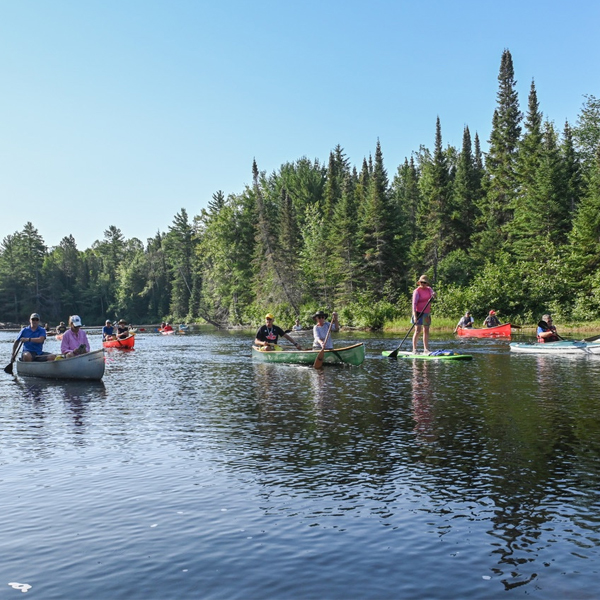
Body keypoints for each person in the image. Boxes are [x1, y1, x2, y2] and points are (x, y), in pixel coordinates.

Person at [412, 275, 436, 354]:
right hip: (418, 312)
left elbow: (433, 295)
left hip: (426, 313)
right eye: (421, 282)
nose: (423, 284)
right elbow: (414, 304)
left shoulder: (429, 289)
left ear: (427, 283)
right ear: (419, 283)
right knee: (418, 330)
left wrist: (434, 295)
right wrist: (415, 316)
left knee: (426, 330)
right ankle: (414, 349)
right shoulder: (417, 291)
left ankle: (426, 349)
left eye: (424, 282)